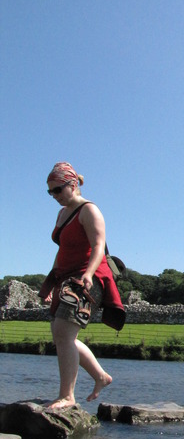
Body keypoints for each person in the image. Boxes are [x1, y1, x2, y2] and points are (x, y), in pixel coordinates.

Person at [39, 162, 125, 409]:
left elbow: (98, 246)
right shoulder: (62, 213)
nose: (54, 196)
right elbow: (62, 250)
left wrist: (88, 274)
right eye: (50, 192)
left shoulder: (89, 211)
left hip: (87, 278)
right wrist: (51, 284)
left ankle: (67, 396)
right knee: (61, 334)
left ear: (73, 184)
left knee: (64, 333)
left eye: (57, 190)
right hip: (66, 278)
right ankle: (100, 377)